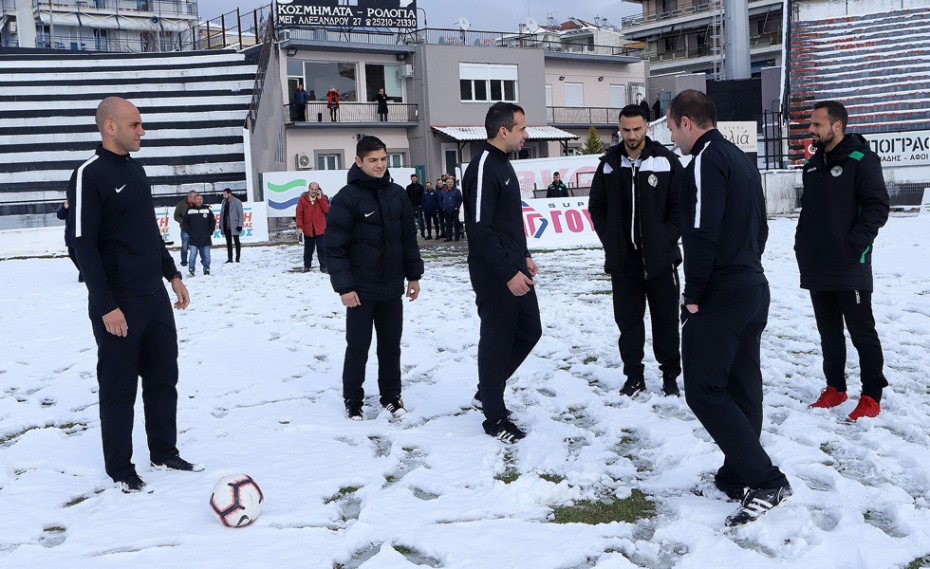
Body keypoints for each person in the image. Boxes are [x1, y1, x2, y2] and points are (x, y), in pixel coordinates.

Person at [668, 89, 790, 527]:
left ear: (686, 122)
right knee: (741, 386)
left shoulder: (703, 160)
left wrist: (694, 294)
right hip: (752, 285)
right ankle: (735, 474)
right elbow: (760, 226)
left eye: (671, 126)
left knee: (704, 390)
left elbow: (702, 233)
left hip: (722, 292)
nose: (672, 137)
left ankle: (766, 480)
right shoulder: (741, 159)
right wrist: (747, 267)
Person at [67, 96, 200, 493]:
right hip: (117, 301)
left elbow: (148, 233)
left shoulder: (137, 170)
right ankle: (121, 469)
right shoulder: (88, 174)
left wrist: (172, 274)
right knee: (119, 386)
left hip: (154, 296)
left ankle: (163, 451)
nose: (142, 131)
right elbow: (81, 244)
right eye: (136, 125)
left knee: (163, 377)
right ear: (110, 127)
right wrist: (106, 304)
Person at [796, 100, 889, 421]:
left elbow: (878, 207)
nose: (811, 130)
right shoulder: (811, 164)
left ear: (837, 126)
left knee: (862, 331)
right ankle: (835, 387)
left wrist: (854, 247)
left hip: (850, 264)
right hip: (817, 264)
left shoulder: (862, 160)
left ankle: (871, 394)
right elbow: (808, 212)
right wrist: (801, 246)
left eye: (817, 125)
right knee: (829, 331)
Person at [325, 136, 423, 420]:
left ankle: (391, 396)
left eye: (383, 159)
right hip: (360, 291)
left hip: (392, 288)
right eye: (373, 160)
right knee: (358, 347)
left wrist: (413, 276)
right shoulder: (346, 198)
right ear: (358, 161)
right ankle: (353, 400)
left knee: (391, 346)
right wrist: (344, 287)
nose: (380, 165)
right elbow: (335, 248)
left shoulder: (397, 194)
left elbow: (408, 238)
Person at [588, 104, 682, 397]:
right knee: (628, 323)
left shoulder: (666, 161)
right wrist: (610, 240)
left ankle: (669, 376)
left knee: (665, 322)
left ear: (646, 128)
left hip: (660, 261)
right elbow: (597, 207)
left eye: (637, 129)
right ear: (620, 129)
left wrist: (664, 239)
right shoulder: (608, 164)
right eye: (626, 130)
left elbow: (680, 208)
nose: (631, 135)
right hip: (623, 263)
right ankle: (634, 377)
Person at [463, 102, 542, 444]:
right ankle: (494, 417)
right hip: (495, 273)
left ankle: (488, 389)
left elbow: (507, 222)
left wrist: (522, 256)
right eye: (522, 128)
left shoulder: (504, 164)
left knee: (530, 331)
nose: (526, 134)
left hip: (513, 267)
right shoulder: (482, 166)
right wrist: (508, 272)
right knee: (495, 341)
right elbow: (479, 229)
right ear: (503, 131)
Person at [295, 181, 330, 272]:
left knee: (322, 249)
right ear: (309, 189)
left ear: (318, 190)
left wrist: (320, 199)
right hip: (308, 229)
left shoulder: (323, 198)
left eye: (315, 189)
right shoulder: (303, 199)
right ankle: (307, 266)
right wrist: (299, 226)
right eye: (312, 189)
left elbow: (327, 210)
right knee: (308, 250)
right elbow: (299, 214)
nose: (313, 191)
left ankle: (324, 267)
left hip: (320, 229)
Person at [185, 193, 214, 276]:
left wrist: (210, 232)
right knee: (192, 255)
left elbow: (212, 222)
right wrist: (190, 232)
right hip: (194, 238)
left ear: (202, 200)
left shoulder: (207, 210)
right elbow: (185, 223)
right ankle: (191, 270)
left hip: (205, 237)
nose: (199, 200)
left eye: (200, 199)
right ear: (195, 200)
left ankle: (206, 269)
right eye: (197, 199)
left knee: (207, 256)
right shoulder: (190, 210)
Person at [56, 198, 82, 281]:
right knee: (72, 254)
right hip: (69, 234)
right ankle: (83, 272)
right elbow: (60, 216)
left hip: (79, 234)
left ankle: (83, 274)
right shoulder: (67, 204)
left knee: (80, 255)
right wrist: (64, 207)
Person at [219, 188, 244, 263]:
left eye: (225, 194)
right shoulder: (224, 202)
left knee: (237, 242)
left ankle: (237, 257)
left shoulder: (237, 202)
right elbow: (221, 214)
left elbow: (241, 214)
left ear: (230, 194)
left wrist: (240, 225)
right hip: (226, 225)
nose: (224, 196)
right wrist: (220, 224)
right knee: (228, 242)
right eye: (224, 194)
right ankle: (230, 258)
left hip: (234, 225)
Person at [173, 190, 196, 267]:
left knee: (199, 245)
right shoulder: (181, 204)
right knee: (185, 246)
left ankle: (202, 260)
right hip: (185, 229)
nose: (196, 198)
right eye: (194, 197)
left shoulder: (198, 204)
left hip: (196, 228)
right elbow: (176, 216)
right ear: (189, 197)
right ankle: (184, 261)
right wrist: (183, 221)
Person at [441, 177, 463, 241]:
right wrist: (443, 207)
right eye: (448, 182)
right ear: (446, 183)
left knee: (456, 224)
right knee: (448, 224)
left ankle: (457, 237)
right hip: (446, 210)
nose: (450, 183)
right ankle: (449, 237)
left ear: (453, 183)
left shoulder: (457, 191)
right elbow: (440, 200)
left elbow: (460, 199)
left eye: (451, 182)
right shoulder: (443, 191)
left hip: (454, 210)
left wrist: (457, 207)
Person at [406, 174, 425, 238]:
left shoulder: (420, 187)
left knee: (420, 221)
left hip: (419, 206)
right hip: (411, 206)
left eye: (415, 178)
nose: (414, 179)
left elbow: (423, 197)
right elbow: (407, 197)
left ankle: (423, 234)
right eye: (412, 178)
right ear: (411, 179)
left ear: (416, 178)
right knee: (412, 221)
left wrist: (421, 205)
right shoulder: (408, 187)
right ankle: (412, 234)